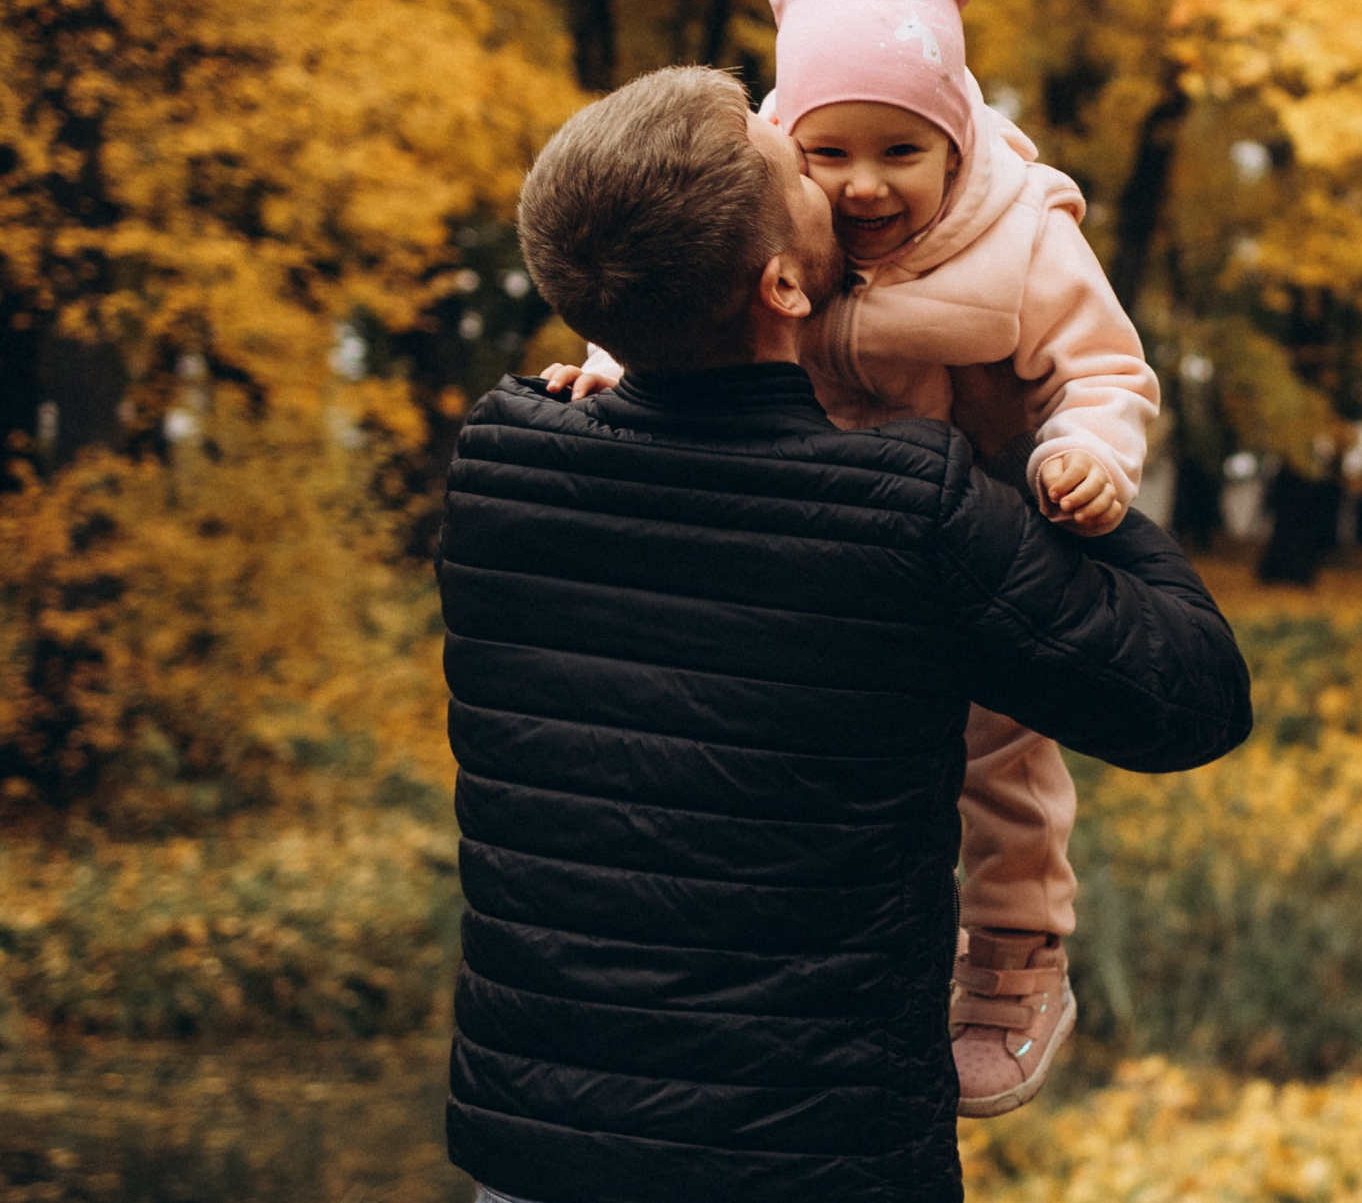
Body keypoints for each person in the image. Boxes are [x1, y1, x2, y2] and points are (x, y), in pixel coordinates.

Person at [441, 65, 1249, 1202]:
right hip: (813, 1163)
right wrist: (1027, 443)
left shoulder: (502, 460)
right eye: (797, 164)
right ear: (781, 285)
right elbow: (1192, 699)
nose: (828, 173)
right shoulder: (902, 510)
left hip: (539, 1156)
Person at [548, 0, 1159, 1115]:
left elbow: (1106, 371)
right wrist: (603, 364)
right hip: (811, 539)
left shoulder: (1026, 238)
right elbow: (669, 284)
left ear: (959, 139)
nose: (863, 183)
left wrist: (1084, 451)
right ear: (786, 148)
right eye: (829, 151)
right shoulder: (767, 219)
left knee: (1004, 744)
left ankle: (1017, 955)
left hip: (968, 526)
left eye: (902, 150)